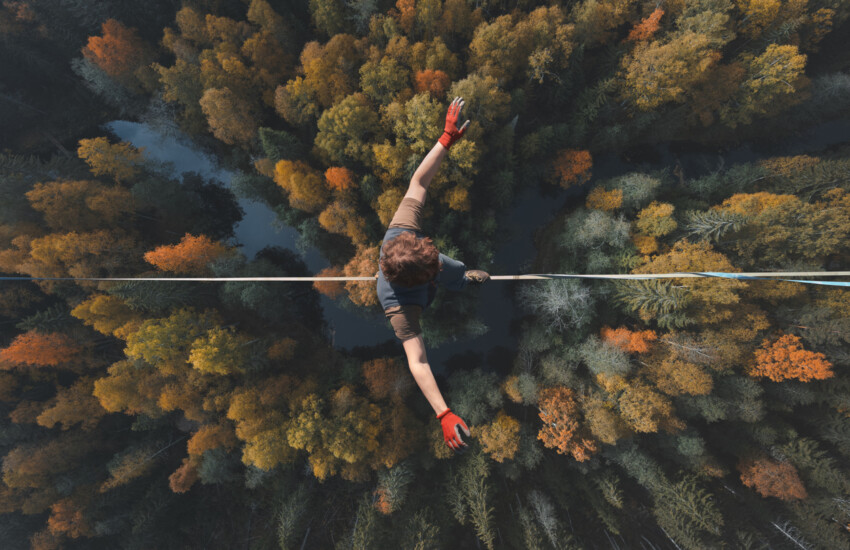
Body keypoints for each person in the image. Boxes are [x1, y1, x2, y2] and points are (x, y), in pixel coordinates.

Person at [376, 97, 490, 453]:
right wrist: (443, 414)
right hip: (418, 295)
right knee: (449, 273)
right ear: (421, 280)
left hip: (416, 271)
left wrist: (445, 140)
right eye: (432, 268)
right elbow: (418, 362)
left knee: (454, 269)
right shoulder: (400, 309)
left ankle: (461, 279)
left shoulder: (401, 235)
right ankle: (457, 282)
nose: (436, 260)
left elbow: (419, 183)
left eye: (432, 256)